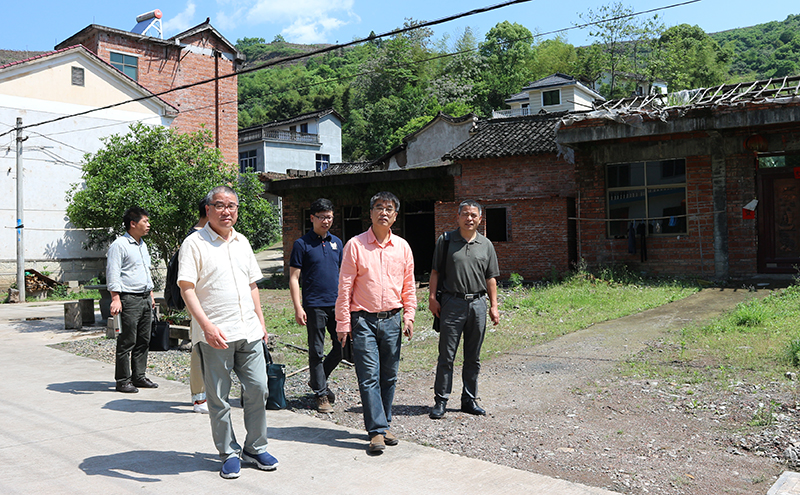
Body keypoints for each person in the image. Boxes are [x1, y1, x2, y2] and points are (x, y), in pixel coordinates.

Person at [177, 186, 278, 479]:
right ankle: (228, 452)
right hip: (216, 334)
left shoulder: (242, 241)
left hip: (248, 330)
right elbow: (187, 288)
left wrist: (261, 323)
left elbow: (252, 285)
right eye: (220, 205)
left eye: (232, 206)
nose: (227, 211)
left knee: (258, 388)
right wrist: (206, 327)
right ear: (208, 209)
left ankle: (255, 448)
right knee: (219, 398)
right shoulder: (194, 243)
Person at [335, 191, 416, 454]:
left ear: (395, 216)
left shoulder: (402, 247)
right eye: (379, 207)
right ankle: (377, 431)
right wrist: (343, 323)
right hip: (363, 321)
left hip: (392, 319)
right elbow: (345, 287)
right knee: (369, 375)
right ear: (370, 213)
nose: (384, 212)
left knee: (389, 375)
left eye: (389, 208)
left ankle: (384, 422)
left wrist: (409, 315)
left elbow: (408, 286)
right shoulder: (355, 245)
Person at [428, 200, 500, 420]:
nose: (469, 218)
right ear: (458, 217)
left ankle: (469, 400)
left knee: (473, 356)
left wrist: (494, 305)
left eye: (473, 215)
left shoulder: (486, 244)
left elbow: (491, 278)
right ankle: (441, 400)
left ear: (480, 219)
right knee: (446, 355)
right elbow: (435, 272)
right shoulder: (446, 241)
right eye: (465, 214)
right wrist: (432, 298)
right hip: (452, 302)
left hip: (477, 304)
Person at [289, 198, 343, 413]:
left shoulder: (337, 243)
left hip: (337, 304)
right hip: (314, 305)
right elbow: (294, 278)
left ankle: (317, 379)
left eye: (329, 217)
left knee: (343, 347)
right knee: (316, 350)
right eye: (321, 217)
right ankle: (321, 395)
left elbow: (344, 274)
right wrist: (298, 307)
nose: (325, 221)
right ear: (312, 218)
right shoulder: (302, 244)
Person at [106, 207, 158, 394]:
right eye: (145, 221)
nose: (148, 225)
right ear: (133, 224)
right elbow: (113, 273)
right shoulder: (119, 245)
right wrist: (115, 298)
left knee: (144, 340)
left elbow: (144, 271)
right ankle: (122, 380)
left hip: (145, 297)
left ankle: (139, 376)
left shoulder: (142, 244)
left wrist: (151, 294)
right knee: (127, 341)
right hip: (129, 299)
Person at [188, 198, 209, 414]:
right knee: (199, 348)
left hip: (216, 304)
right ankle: (199, 398)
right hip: (199, 304)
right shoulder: (194, 239)